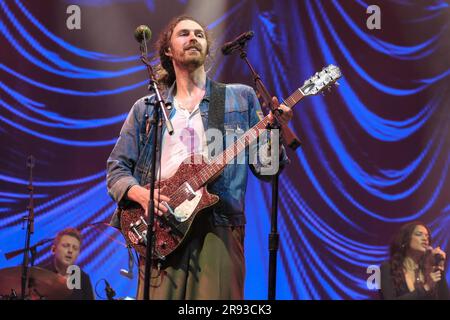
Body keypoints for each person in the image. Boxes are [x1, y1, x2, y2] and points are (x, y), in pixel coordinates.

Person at [106, 15, 292, 299]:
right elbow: (117, 170)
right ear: (168, 50)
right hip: (160, 229)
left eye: (199, 34)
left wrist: (275, 133)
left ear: (207, 48)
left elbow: (267, 170)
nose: (193, 38)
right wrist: (143, 196)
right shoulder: (146, 108)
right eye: (184, 34)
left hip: (217, 226)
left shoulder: (238, 98)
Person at [379, 221, 449, 300]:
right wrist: (426, 287)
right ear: (405, 240)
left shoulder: (429, 269)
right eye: (419, 234)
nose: (425, 239)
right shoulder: (387, 268)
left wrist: (439, 267)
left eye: (427, 236)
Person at [42, 227, 94, 300]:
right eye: (66, 246)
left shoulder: (83, 278)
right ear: (53, 249)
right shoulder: (39, 274)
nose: (70, 251)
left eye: (75, 248)